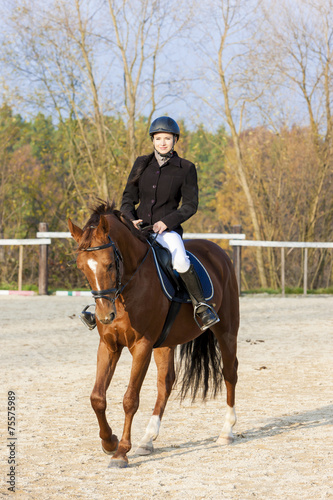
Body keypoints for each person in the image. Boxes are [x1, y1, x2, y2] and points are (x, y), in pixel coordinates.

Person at [120, 116, 220, 331]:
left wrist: (166, 222)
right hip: (138, 230)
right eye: (158, 138)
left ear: (175, 140)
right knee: (112, 256)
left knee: (181, 262)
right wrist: (131, 219)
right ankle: (98, 304)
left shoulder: (185, 168)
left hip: (167, 231)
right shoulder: (141, 164)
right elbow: (128, 199)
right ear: (152, 140)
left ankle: (200, 306)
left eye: (167, 138)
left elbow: (190, 205)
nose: (162, 142)